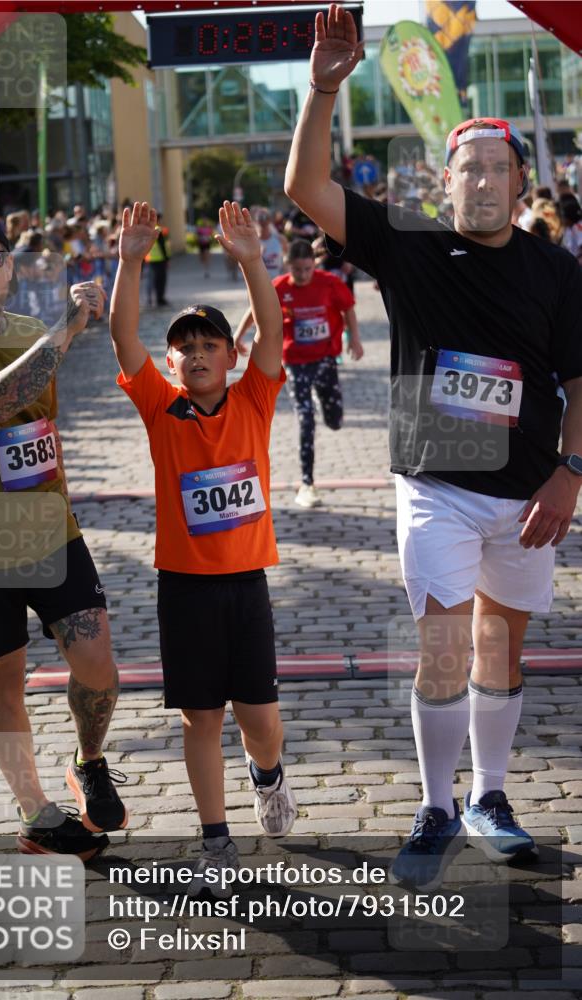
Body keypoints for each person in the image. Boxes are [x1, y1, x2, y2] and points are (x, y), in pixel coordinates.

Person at [285, 4, 582, 889]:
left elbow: (581, 384)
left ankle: (490, 798)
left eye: (499, 168)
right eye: (468, 169)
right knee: (444, 651)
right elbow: (306, 189)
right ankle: (435, 805)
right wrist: (322, 88)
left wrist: (570, 474)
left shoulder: (556, 269)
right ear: (442, 182)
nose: (483, 182)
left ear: (520, 181)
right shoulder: (408, 243)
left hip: (528, 492)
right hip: (436, 487)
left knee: (502, 652)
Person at [0, 213, 129, 859]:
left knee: (97, 662)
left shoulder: (31, 331)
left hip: (43, 521)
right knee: (2, 681)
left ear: (8, 268)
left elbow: (36, 416)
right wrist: (66, 330)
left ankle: (88, 761)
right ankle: (37, 812)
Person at [109, 199, 297, 893]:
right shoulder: (162, 408)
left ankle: (268, 774)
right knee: (200, 717)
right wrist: (131, 259)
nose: (195, 354)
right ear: (171, 361)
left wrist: (251, 262)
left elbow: (274, 336)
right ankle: (215, 840)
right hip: (182, 585)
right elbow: (121, 337)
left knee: (262, 723)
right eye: (184, 347)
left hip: (246, 584)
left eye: (208, 344)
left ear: (230, 355)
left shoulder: (254, 399)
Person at [235, 238, 363, 509]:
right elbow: (255, 309)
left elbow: (348, 307)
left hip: (326, 359)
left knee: (335, 420)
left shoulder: (328, 282)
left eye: (307, 269)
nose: (303, 275)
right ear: (288, 266)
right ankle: (308, 482)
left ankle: (326, 407)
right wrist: (238, 335)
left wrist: (355, 339)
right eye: (297, 270)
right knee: (305, 420)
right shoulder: (279, 286)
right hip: (295, 362)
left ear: (313, 264)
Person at [254, 208, 287, 281]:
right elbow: (243, 265)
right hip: (259, 281)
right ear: (256, 222)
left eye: (266, 218)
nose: (263, 220)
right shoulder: (253, 242)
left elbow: (287, 259)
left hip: (277, 279)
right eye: (260, 218)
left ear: (270, 221)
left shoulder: (280, 239)